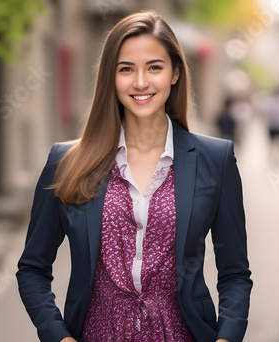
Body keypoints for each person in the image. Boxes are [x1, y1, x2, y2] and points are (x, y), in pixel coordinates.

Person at [17, 10, 252, 342]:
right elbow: (33, 268)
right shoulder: (66, 161)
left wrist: (227, 337)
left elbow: (235, 274)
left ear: (174, 74)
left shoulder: (216, 160)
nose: (140, 82)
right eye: (126, 69)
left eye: (154, 67)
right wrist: (58, 336)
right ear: (111, 78)